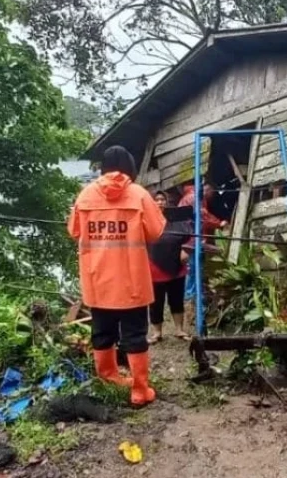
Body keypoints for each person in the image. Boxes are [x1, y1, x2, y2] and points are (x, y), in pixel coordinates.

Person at [68, 145, 166, 407]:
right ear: (130, 166)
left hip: (97, 280)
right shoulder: (139, 195)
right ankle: (139, 390)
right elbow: (156, 233)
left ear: (102, 167)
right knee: (134, 335)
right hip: (131, 281)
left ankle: (108, 378)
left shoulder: (85, 195)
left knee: (102, 333)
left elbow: (74, 231)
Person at [147, 191, 194, 343]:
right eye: (157, 199)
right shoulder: (146, 219)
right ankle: (156, 333)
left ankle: (179, 330)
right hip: (155, 267)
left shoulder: (177, 218)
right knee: (156, 301)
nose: (160, 202)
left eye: (162, 199)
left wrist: (186, 249)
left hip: (177, 266)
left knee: (176, 299)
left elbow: (191, 236)